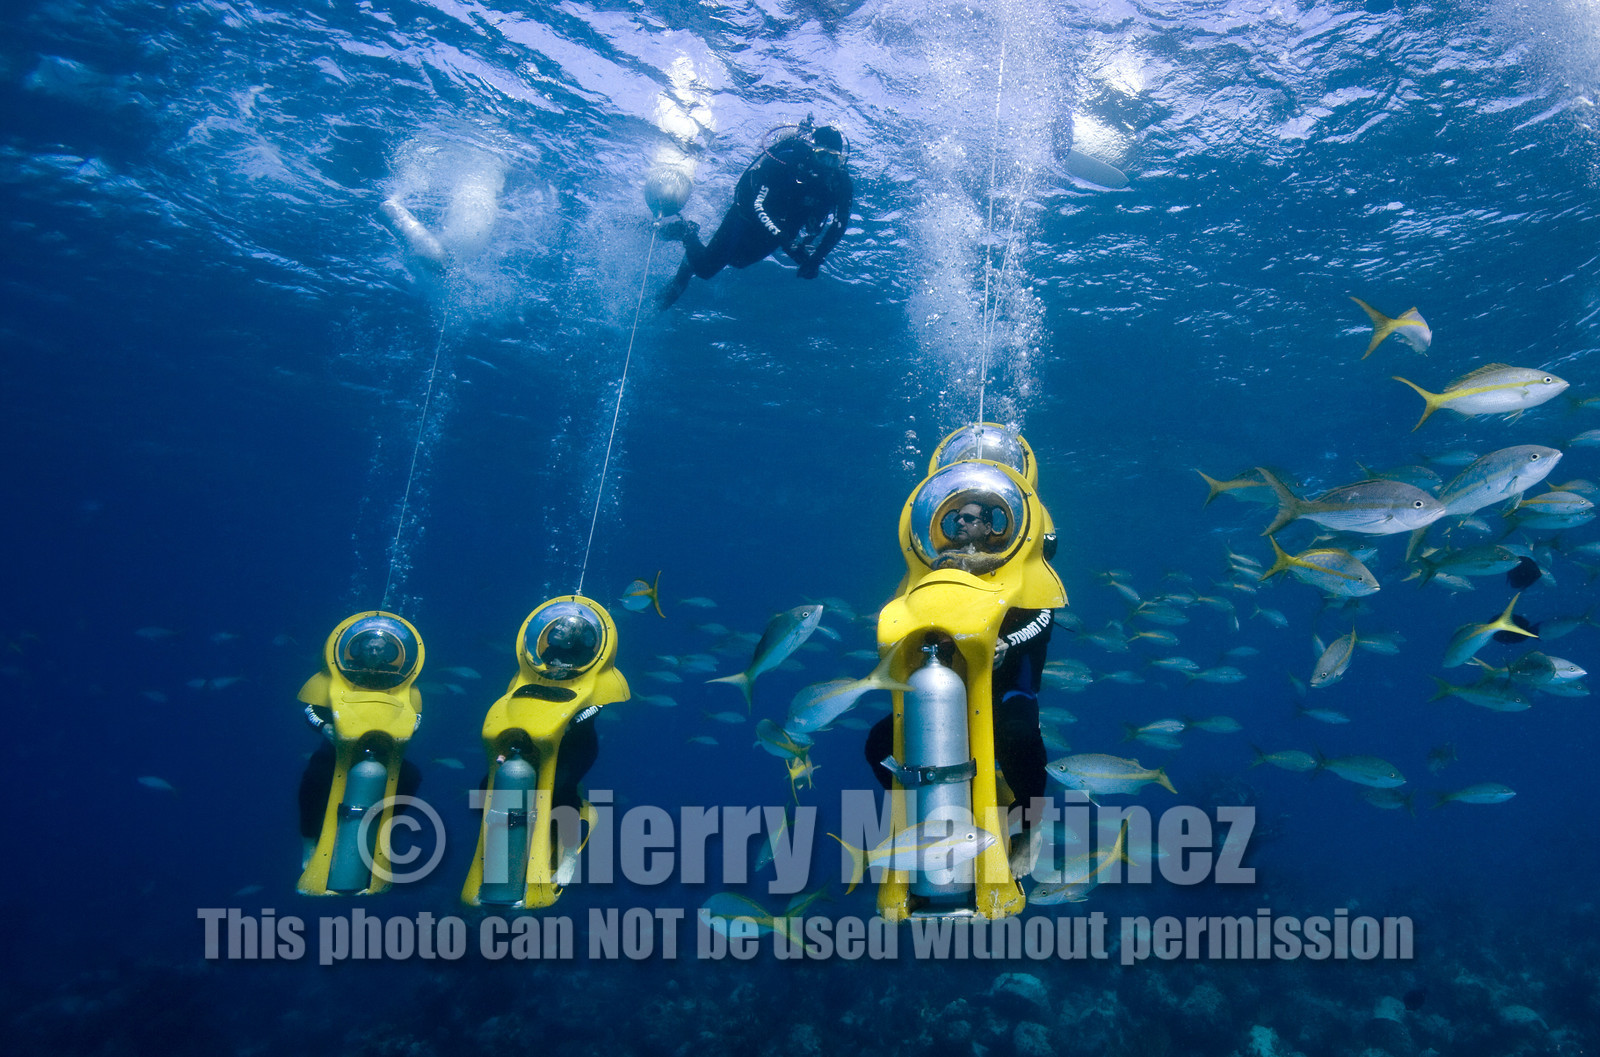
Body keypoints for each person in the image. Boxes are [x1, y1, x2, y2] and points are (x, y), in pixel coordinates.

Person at [864, 499, 1054, 833]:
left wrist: (1009, 643)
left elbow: (1044, 616)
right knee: (878, 744)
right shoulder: (940, 569)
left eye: (968, 519)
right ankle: (916, 815)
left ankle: (1028, 829)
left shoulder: (1019, 567)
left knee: (1022, 740)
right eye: (954, 519)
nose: (960, 525)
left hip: (1005, 689)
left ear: (990, 526)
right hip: (952, 690)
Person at [655, 121, 854, 309]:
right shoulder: (787, 162)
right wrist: (785, 239)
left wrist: (816, 258)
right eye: (822, 156)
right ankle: (686, 231)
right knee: (706, 269)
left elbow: (839, 224)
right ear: (812, 151)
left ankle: (690, 261)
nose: (827, 165)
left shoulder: (841, 182)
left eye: (834, 159)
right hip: (747, 215)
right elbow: (757, 205)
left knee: (738, 262)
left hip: (779, 229)